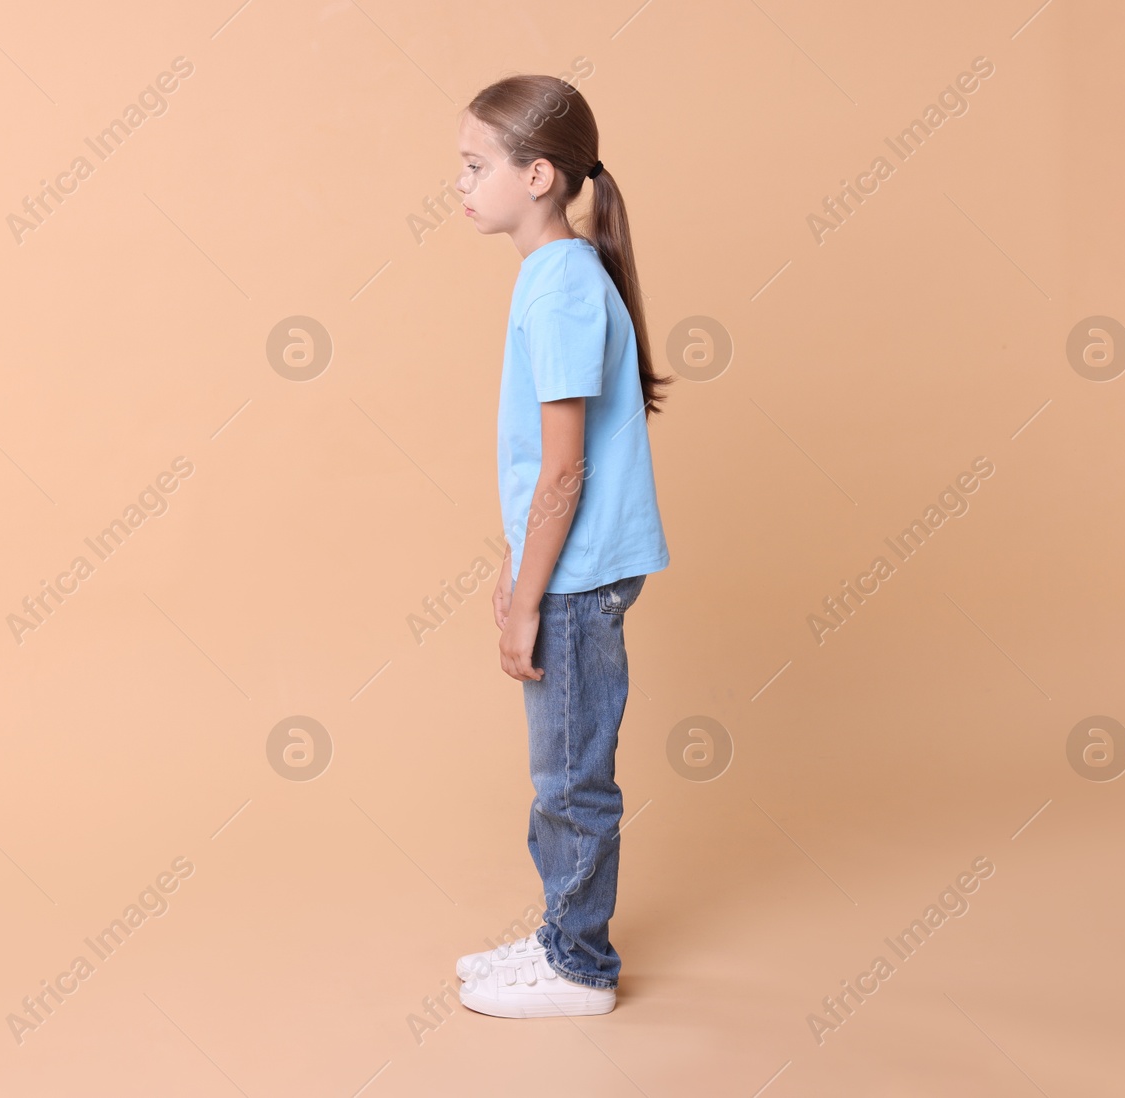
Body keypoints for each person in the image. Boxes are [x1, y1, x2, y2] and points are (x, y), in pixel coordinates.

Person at [452, 74, 672, 1019]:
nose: (459, 185)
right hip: (563, 568)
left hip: (578, 580)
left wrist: (534, 596)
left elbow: (564, 471)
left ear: (538, 175)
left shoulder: (564, 288)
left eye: (474, 166)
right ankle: (558, 936)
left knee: (572, 780)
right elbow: (543, 471)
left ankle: (578, 967)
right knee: (560, 771)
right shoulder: (553, 274)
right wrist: (514, 563)